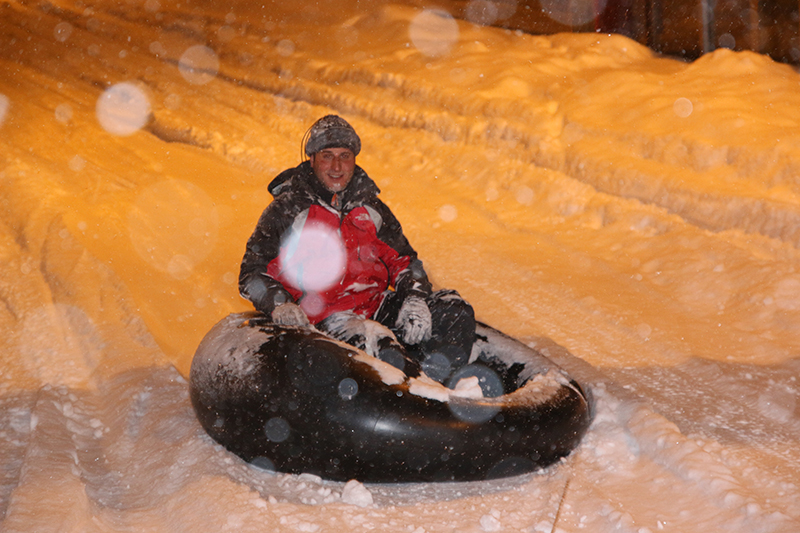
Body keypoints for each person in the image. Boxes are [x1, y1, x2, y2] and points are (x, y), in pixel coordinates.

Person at [239, 115, 475, 382]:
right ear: (312, 159)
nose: (337, 166)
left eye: (345, 156)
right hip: (321, 317)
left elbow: (405, 261)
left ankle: (437, 389)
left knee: (453, 311)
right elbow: (252, 273)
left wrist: (415, 297)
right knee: (377, 344)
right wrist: (279, 305)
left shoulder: (370, 208)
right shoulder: (288, 210)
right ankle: (409, 396)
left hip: (373, 305)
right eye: (327, 156)